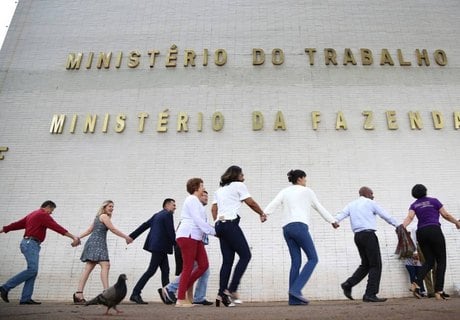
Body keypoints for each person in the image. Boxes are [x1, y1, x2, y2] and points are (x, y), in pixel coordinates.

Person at [264, 169, 339, 305]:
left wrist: (265, 214)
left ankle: (293, 299)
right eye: (305, 178)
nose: (306, 181)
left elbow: (274, 203)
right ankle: (296, 290)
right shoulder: (307, 191)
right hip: (299, 226)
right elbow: (319, 207)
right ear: (299, 179)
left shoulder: (285, 191)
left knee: (296, 262)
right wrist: (332, 220)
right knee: (313, 258)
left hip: (286, 228)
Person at [0, 201, 80, 305]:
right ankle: (5, 287)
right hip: (30, 243)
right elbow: (56, 227)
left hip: (30, 243)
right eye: (51, 210)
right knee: (32, 269)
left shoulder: (33, 214)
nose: (51, 213)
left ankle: (26, 298)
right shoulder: (42, 215)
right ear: (47, 207)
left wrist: (4, 229)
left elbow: (18, 224)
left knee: (33, 270)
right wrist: (73, 236)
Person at [212, 165, 267, 307]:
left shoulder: (219, 190)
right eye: (242, 174)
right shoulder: (239, 185)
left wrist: (218, 225)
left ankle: (221, 294)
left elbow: (214, 209)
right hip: (230, 224)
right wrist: (261, 213)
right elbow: (251, 202)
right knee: (245, 255)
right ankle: (232, 289)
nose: (244, 176)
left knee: (227, 261)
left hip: (220, 225)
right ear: (236, 175)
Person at [335, 186, 398, 303]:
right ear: (366, 193)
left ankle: (348, 284)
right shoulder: (370, 203)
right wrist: (398, 226)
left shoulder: (351, 204)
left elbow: (340, 215)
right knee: (375, 265)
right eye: (372, 193)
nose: (373, 196)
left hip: (358, 237)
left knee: (366, 265)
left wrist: (335, 221)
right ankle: (370, 294)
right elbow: (385, 215)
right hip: (369, 235)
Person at [402, 184, 460, 300]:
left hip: (421, 232)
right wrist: (457, 223)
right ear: (425, 191)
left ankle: (416, 283)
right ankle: (439, 291)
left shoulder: (414, 205)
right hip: (434, 230)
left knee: (429, 261)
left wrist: (402, 227)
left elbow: (410, 217)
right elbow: (446, 215)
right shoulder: (434, 201)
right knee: (441, 261)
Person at [73, 200, 133, 304]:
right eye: (110, 206)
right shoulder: (104, 216)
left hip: (93, 243)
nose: (111, 208)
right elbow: (113, 229)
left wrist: (78, 237)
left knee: (89, 268)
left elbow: (89, 231)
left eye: (112, 207)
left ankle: (78, 293)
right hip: (97, 244)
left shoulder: (98, 217)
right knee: (105, 265)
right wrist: (126, 237)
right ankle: (107, 293)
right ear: (104, 207)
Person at [159, 191, 213, 305]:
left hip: (195, 242)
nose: (206, 197)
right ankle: (174, 290)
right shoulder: (192, 210)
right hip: (188, 241)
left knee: (203, 268)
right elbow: (191, 228)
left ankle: (193, 296)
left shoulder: (200, 211)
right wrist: (215, 231)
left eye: (207, 196)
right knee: (192, 269)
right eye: (203, 195)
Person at [175, 178, 216, 307]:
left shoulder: (197, 202)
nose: (203, 188)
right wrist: (214, 232)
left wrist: (212, 231)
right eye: (202, 186)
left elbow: (201, 221)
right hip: (188, 235)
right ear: (196, 187)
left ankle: (181, 290)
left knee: (203, 265)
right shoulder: (191, 199)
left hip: (196, 237)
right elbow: (198, 220)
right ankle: (180, 299)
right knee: (188, 267)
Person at [129, 198, 177, 304]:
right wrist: (177, 244)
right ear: (167, 205)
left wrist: (132, 236)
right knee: (151, 270)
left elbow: (145, 225)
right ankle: (135, 293)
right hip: (160, 246)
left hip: (157, 246)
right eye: (173, 205)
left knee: (165, 270)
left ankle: (167, 295)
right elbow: (171, 231)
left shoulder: (157, 215)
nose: (175, 207)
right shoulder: (168, 214)